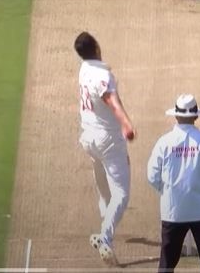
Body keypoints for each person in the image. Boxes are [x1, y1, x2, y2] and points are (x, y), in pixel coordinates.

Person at [75, 31, 137, 266]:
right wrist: (126, 123)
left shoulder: (84, 69)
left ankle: (105, 221)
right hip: (108, 140)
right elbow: (111, 100)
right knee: (121, 194)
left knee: (104, 188)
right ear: (97, 47)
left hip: (88, 138)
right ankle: (105, 237)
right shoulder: (103, 75)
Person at [148, 94, 200, 273]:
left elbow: (152, 175)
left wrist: (167, 191)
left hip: (173, 211)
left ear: (176, 115)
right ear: (196, 116)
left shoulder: (164, 143)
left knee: (166, 264)